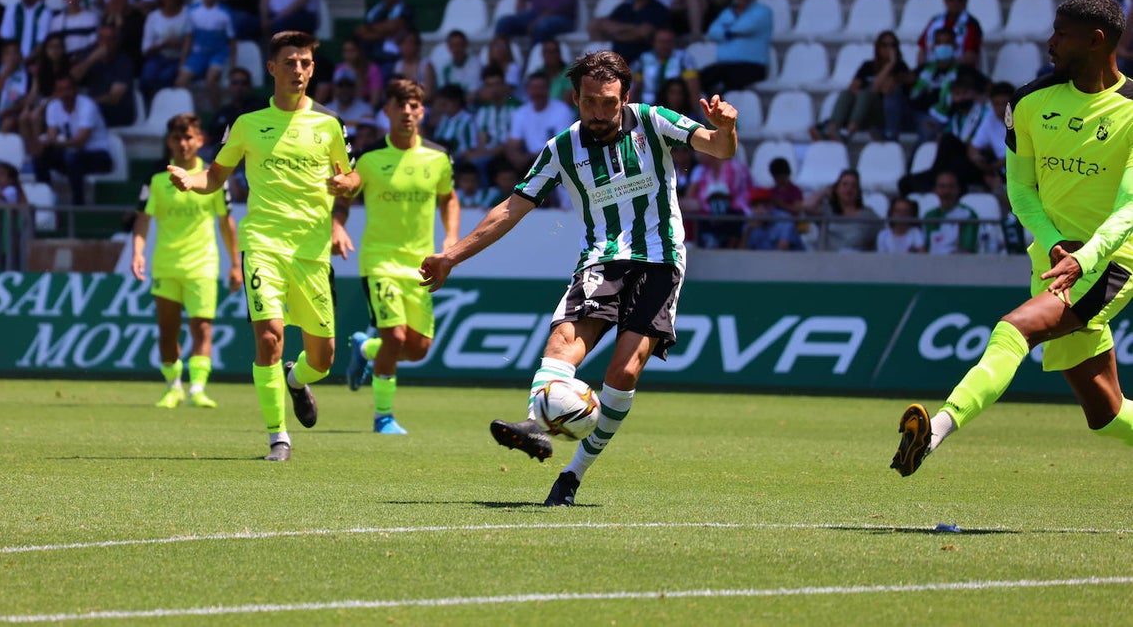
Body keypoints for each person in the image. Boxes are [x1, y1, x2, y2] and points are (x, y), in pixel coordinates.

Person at [418, 50, 739, 507]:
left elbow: (718, 148)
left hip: (660, 259)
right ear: (574, 98)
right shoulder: (562, 148)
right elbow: (512, 208)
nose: (599, 112)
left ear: (624, 97)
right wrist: (451, 256)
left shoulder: (653, 121)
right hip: (600, 260)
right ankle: (537, 424)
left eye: (609, 102)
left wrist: (726, 129)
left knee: (624, 371)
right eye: (590, 101)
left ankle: (572, 474)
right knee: (562, 341)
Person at [891, 0, 1133, 478]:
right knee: (1106, 414)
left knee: (1015, 328)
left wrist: (1085, 257)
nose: (1050, 42)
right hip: (1053, 262)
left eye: (1061, 34)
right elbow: (1020, 189)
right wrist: (1053, 242)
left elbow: (1129, 205)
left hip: (1110, 262)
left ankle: (935, 431)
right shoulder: (1027, 101)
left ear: (1095, 40)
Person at [168, 30, 358, 462]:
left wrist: (346, 184)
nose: (298, 70)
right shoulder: (247, 124)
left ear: (313, 68)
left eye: (305, 63)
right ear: (272, 68)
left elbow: (352, 176)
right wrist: (190, 180)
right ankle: (278, 437)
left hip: (311, 252)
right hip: (262, 244)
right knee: (270, 337)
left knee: (323, 359)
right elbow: (214, 177)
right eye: (289, 62)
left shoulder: (329, 124)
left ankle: (296, 379)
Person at [333, 78, 459, 434]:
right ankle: (383, 416)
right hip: (380, 262)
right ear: (386, 111)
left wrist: (451, 237)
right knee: (396, 338)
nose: (407, 111)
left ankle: (366, 350)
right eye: (399, 105)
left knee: (419, 349)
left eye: (413, 105)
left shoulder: (438, 157)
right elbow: (345, 197)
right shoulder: (369, 157)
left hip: (421, 264)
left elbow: (449, 198)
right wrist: (337, 226)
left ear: (422, 111)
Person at [132, 113, 241, 409]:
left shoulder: (212, 179)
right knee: (168, 330)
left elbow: (226, 222)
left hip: (202, 264)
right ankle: (173, 387)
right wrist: (137, 252)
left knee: (202, 327)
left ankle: (198, 389)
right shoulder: (156, 180)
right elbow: (143, 219)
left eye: (188, 137)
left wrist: (235, 264)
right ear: (169, 142)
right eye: (177, 138)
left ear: (200, 140)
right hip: (166, 265)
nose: (183, 143)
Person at [813, 30, 911, 142]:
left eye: (892, 45)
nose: (888, 48)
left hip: (881, 114)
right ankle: (832, 129)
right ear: (878, 47)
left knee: (865, 94)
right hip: (861, 112)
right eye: (884, 45)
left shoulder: (900, 67)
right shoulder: (868, 66)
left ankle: (848, 133)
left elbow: (880, 90)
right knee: (846, 94)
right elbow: (852, 88)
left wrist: (891, 64)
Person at [31, 74, 112, 206]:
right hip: (70, 155)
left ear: (76, 90)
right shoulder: (53, 107)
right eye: (60, 90)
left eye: (68, 89)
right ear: (56, 93)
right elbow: (51, 136)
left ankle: (78, 206)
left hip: (98, 155)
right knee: (40, 158)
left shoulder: (87, 106)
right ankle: (46, 201)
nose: (65, 94)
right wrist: (42, 143)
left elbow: (80, 142)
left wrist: (52, 142)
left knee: (73, 158)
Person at [700, 0, 772, 94]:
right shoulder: (727, 12)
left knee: (725, 85)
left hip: (752, 66)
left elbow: (746, 27)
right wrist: (731, 33)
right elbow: (713, 32)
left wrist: (726, 30)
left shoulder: (763, 11)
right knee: (698, 80)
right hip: (725, 65)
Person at [175, 0, 235, 112]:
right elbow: (189, 37)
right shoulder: (192, 11)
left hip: (218, 53)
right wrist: (183, 60)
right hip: (199, 53)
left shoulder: (225, 12)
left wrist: (233, 64)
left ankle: (218, 114)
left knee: (211, 80)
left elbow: (232, 40)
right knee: (180, 82)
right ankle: (193, 113)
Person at [589, 0, 671, 66]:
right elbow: (597, 26)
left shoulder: (659, 10)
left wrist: (616, 31)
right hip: (616, 66)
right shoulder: (623, 8)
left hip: (643, 66)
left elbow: (644, 33)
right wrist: (634, 28)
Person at [803, 168, 881, 251]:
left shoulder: (868, 215)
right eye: (845, 184)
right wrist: (824, 192)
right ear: (836, 188)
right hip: (828, 257)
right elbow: (806, 206)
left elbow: (881, 237)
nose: (849, 189)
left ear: (858, 191)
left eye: (853, 185)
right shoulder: (826, 210)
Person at [916, 0, 983, 68]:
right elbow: (922, 50)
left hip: (959, 70)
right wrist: (923, 68)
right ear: (945, 0)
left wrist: (947, 67)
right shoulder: (935, 21)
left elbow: (971, 56)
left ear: (966, 1)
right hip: (932, 68)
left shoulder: (971, 24)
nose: (955, 2)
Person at [922, 168, 979, 253]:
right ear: (935, 190)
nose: (946, 191)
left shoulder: (968, 214)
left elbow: (967, 250)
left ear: (958, 189)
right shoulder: (929, 215)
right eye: (942, 186)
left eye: (951, 187)